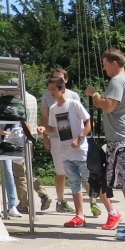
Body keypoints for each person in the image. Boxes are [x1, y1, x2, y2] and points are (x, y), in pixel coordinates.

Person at [85, 48, 125, 242]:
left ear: (114, 63)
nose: (104, 69)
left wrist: (95, 95)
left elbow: (108, 106)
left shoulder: (117, 81)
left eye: (104, 64)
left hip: (122, 140)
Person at [38, 77, 92, 227]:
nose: (51, 93)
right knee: (74, 183)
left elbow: (89, 123)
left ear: (62, 89)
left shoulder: (74, 104)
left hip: (80, 150)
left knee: (90, 180)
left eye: (53, 89)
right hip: (65, 151)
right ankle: (79, 215)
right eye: (49, 90)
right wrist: (44, 131)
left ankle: (111, 211)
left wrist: (79, 138)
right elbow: (53, 129)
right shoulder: (54, 108)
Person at [40, 67, 80, 214]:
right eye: (54, 78)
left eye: (60, 79)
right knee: (61, 171)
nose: (56, 82)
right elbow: (44, 118)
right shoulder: (48, 97)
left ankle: (92, 201)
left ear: (65, 81)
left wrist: (79, 137)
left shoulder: (74, 97)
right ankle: (61, 201)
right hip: (56, 137)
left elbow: (83, 119)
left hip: (73, 138)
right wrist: (45, 136)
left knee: (80, 170)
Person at [8, 79, 51, 213]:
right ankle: (42, 194)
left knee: (20, 174)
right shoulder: (32, 98)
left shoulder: (18, 102)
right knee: (28, 170)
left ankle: (24, 203)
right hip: (32, 138)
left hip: (20, 139)